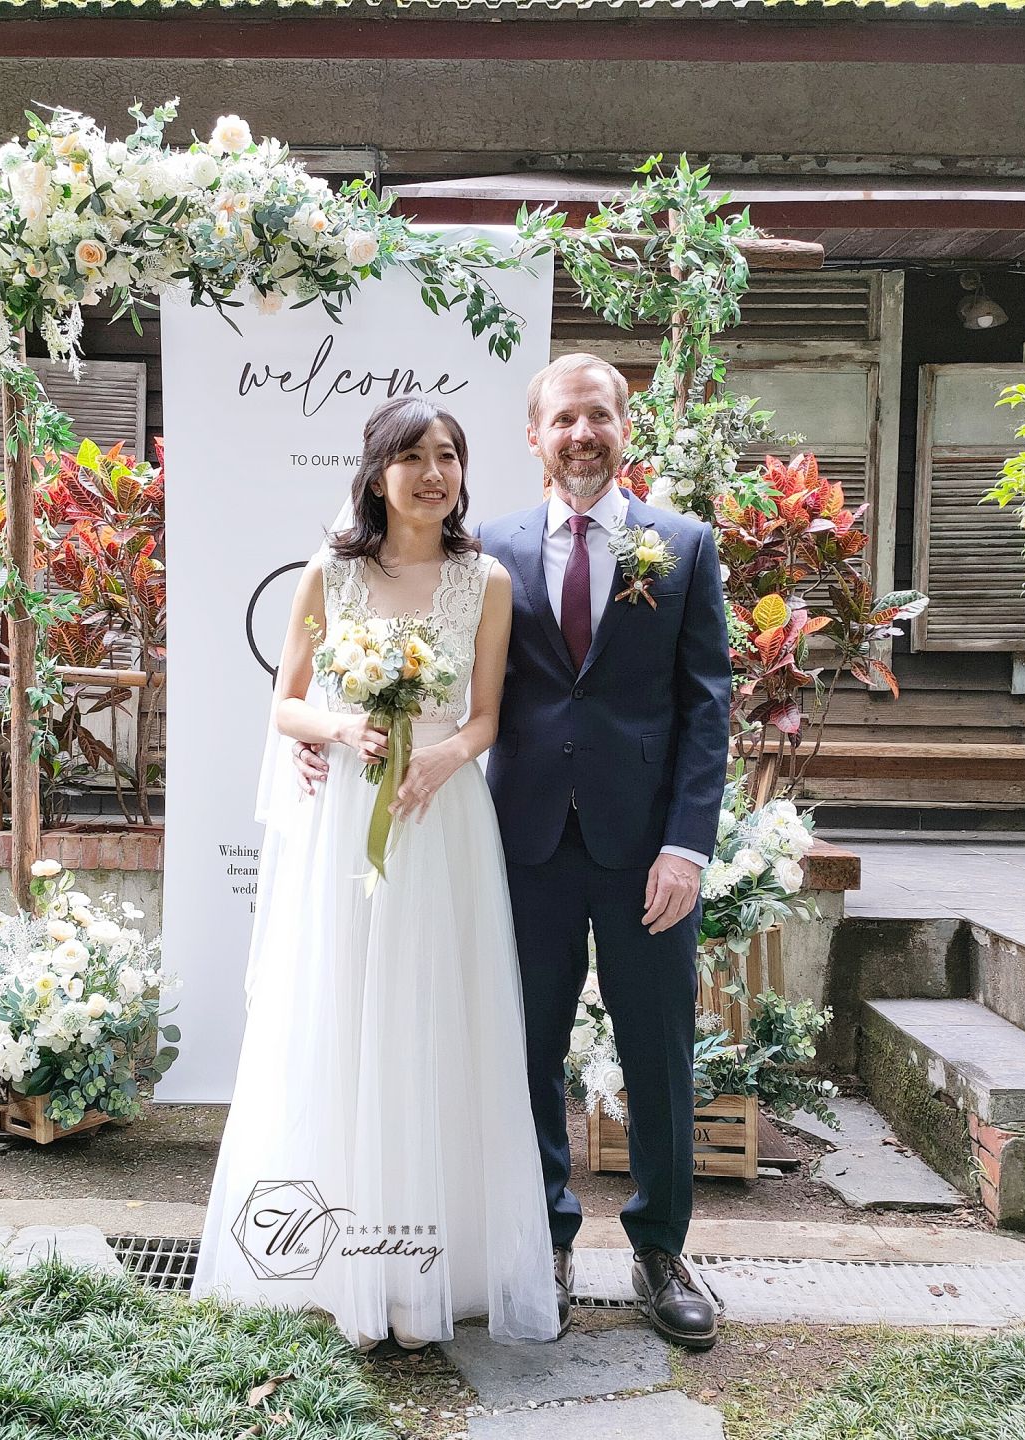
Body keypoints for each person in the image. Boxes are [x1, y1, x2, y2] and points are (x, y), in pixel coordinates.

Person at [295, 354, 732, 1350]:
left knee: (658, 1051)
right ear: (533, 436)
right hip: (520, 843)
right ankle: (545, 1241)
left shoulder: (683, 546)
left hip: (645, 853)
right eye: (562, 419)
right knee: (520, 1051)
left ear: (625, 428)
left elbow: (707, 710)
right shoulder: (484, 552)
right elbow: (408, 669)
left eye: (599, 416)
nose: (582, 434)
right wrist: (324, 740)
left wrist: (686, 847)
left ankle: (662, 1251)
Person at [189, 395, 559, 1351]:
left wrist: (444, 755)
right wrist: (343, 725)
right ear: (378, 472)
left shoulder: (486, 581)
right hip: (347, 817)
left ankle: (433, 1268)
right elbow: (286, 705)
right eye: (413, 457)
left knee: (432, 1018)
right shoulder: (331, 571)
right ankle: (336, 1262)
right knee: (343, 1011)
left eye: (449, 457)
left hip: (441, 817)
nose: (434, 475)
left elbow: (485, 717)